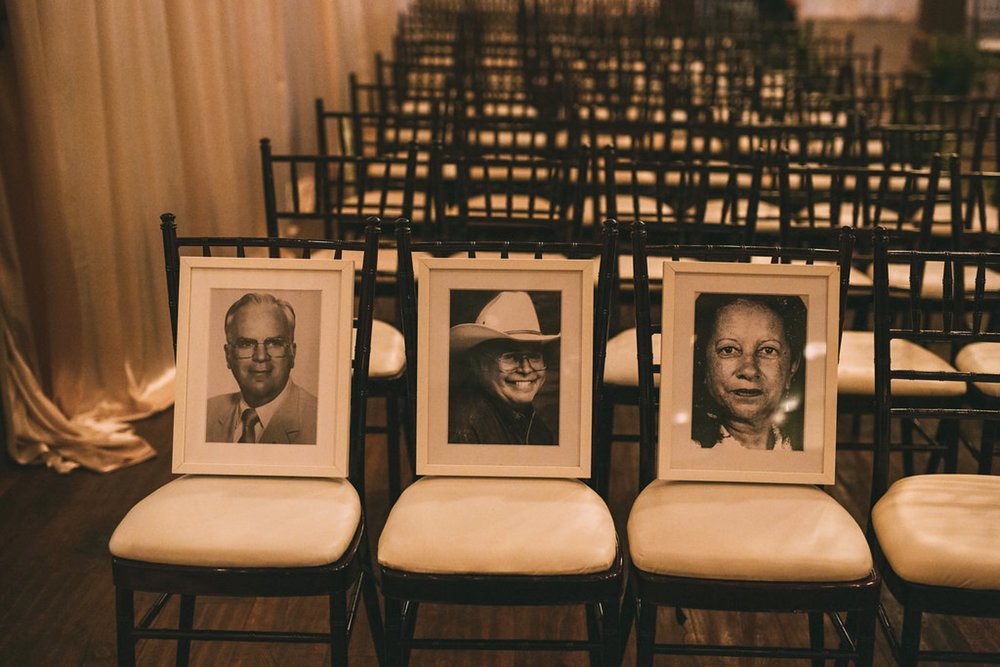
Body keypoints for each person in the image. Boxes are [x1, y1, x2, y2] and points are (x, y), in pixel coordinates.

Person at [691, 293, 806, 451]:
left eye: (768, 350)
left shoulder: (806, 452)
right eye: (728, 349)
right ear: (703, 362)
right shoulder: (689, 451)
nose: (749, 370)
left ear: (793, 365)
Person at [206, 292, 318, 445]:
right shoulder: (206, 414)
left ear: (292, 353)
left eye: (274, 343)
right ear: (228, 356)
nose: (260, 356)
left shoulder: (320, 420)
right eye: (246, 344)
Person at [448, 291, 559, 445]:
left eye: (534, 356)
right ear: (478, 364)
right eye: (511, 357)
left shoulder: (539, 431)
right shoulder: (465, 429)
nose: (526, 369)